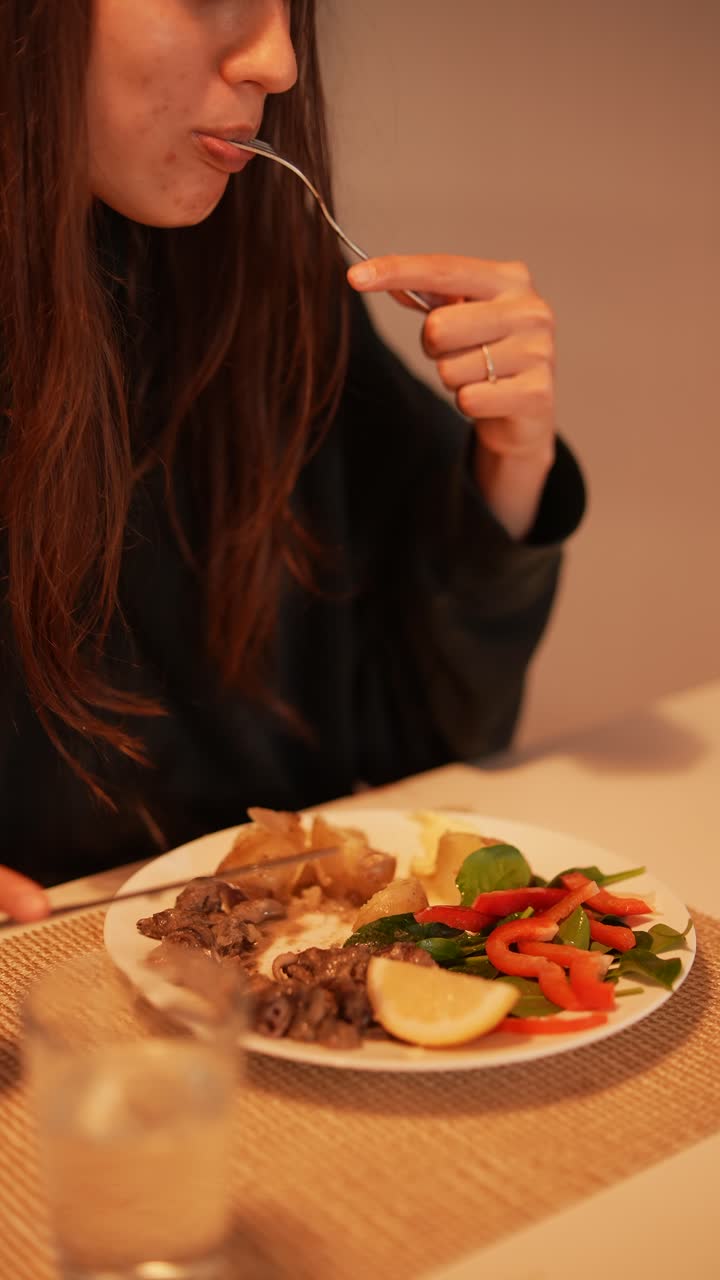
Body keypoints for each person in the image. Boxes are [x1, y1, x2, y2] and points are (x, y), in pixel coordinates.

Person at [0, 0, 584, 922]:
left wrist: (509, 465)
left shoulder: (271, 288)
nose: (278, 63)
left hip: (274, 970)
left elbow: (428, 748)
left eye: (288, 10)